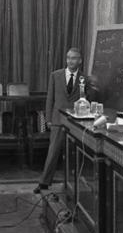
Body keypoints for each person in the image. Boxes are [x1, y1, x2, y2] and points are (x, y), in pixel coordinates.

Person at [34, 48, 97, 194]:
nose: (70, 61)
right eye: (68, 58)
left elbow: (89, 100)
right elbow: (50, 99)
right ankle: (44, 183)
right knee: (53, 152)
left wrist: (93, 88)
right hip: (57, 119)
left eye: (74, 58)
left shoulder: (84, 78)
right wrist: (48, 119)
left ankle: (72, 185)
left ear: (80, 61)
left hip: (76, 121)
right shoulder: (55, 75)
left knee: (74, 154)